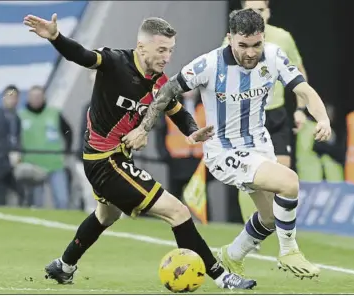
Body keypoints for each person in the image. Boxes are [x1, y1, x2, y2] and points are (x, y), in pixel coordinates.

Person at [23, 13, 256, 289]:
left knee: (106, 215)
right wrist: (56, 38)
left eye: (170, 50)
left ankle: (64, 265)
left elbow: (177, 111)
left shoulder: (160, 81)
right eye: (161, 50)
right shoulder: (114, 62)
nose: (167, 57)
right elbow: (82, 55)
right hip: (104, 161)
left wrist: (192, 131)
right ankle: (221, 276)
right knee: (178, 212)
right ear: (141, 46)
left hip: (114, 158)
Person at [124, 9, 330, 279]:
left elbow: (303, 89)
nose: (250, 53)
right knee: (289, 181)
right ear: (229, 38)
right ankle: (289, 249)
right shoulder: (208, 64)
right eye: (242, 45)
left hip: (259, 144)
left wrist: (323, 118)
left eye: (256, 44)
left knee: (269, 218)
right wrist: (143, 127)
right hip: (225, 151)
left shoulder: (275, 56)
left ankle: (231, 255)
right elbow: (166, 91)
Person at [223, 0, 309, 234]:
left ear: (268, 12)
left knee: (283, 175)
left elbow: (299, 72)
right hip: (248, 116)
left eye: (260, 10)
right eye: (251, 11)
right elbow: (222, 74)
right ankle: (252, 226)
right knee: (250, 176)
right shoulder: (233, 39)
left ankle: (277, 227)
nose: (257, 14)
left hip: (277, 113)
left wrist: (300, 109)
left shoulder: (282, 38)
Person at [18, 85, 72, 209]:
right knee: (37, 204)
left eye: (39, 96)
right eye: (33, 96)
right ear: (29, 98)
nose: (36, 99)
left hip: (55, 164)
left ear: (43, 97)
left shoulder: (54, 113)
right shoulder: (21, 116)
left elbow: (68, 131)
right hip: (33, 165)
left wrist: (67, 151)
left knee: (62, 201)